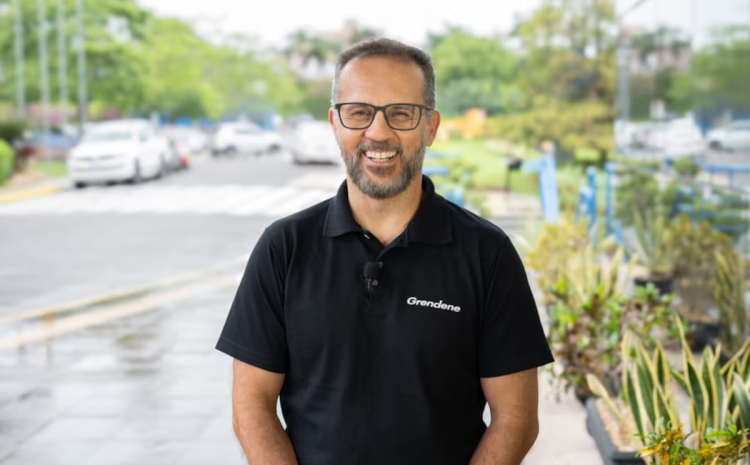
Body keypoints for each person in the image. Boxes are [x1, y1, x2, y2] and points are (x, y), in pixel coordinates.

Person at [216, 37, 554, 465]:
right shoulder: (283, 248)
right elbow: (252, 407)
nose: (378, 132)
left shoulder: (488, 254)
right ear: (335, 123)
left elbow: (516, 418)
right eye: (359, 112)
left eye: (402, 113)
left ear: (430, 127)